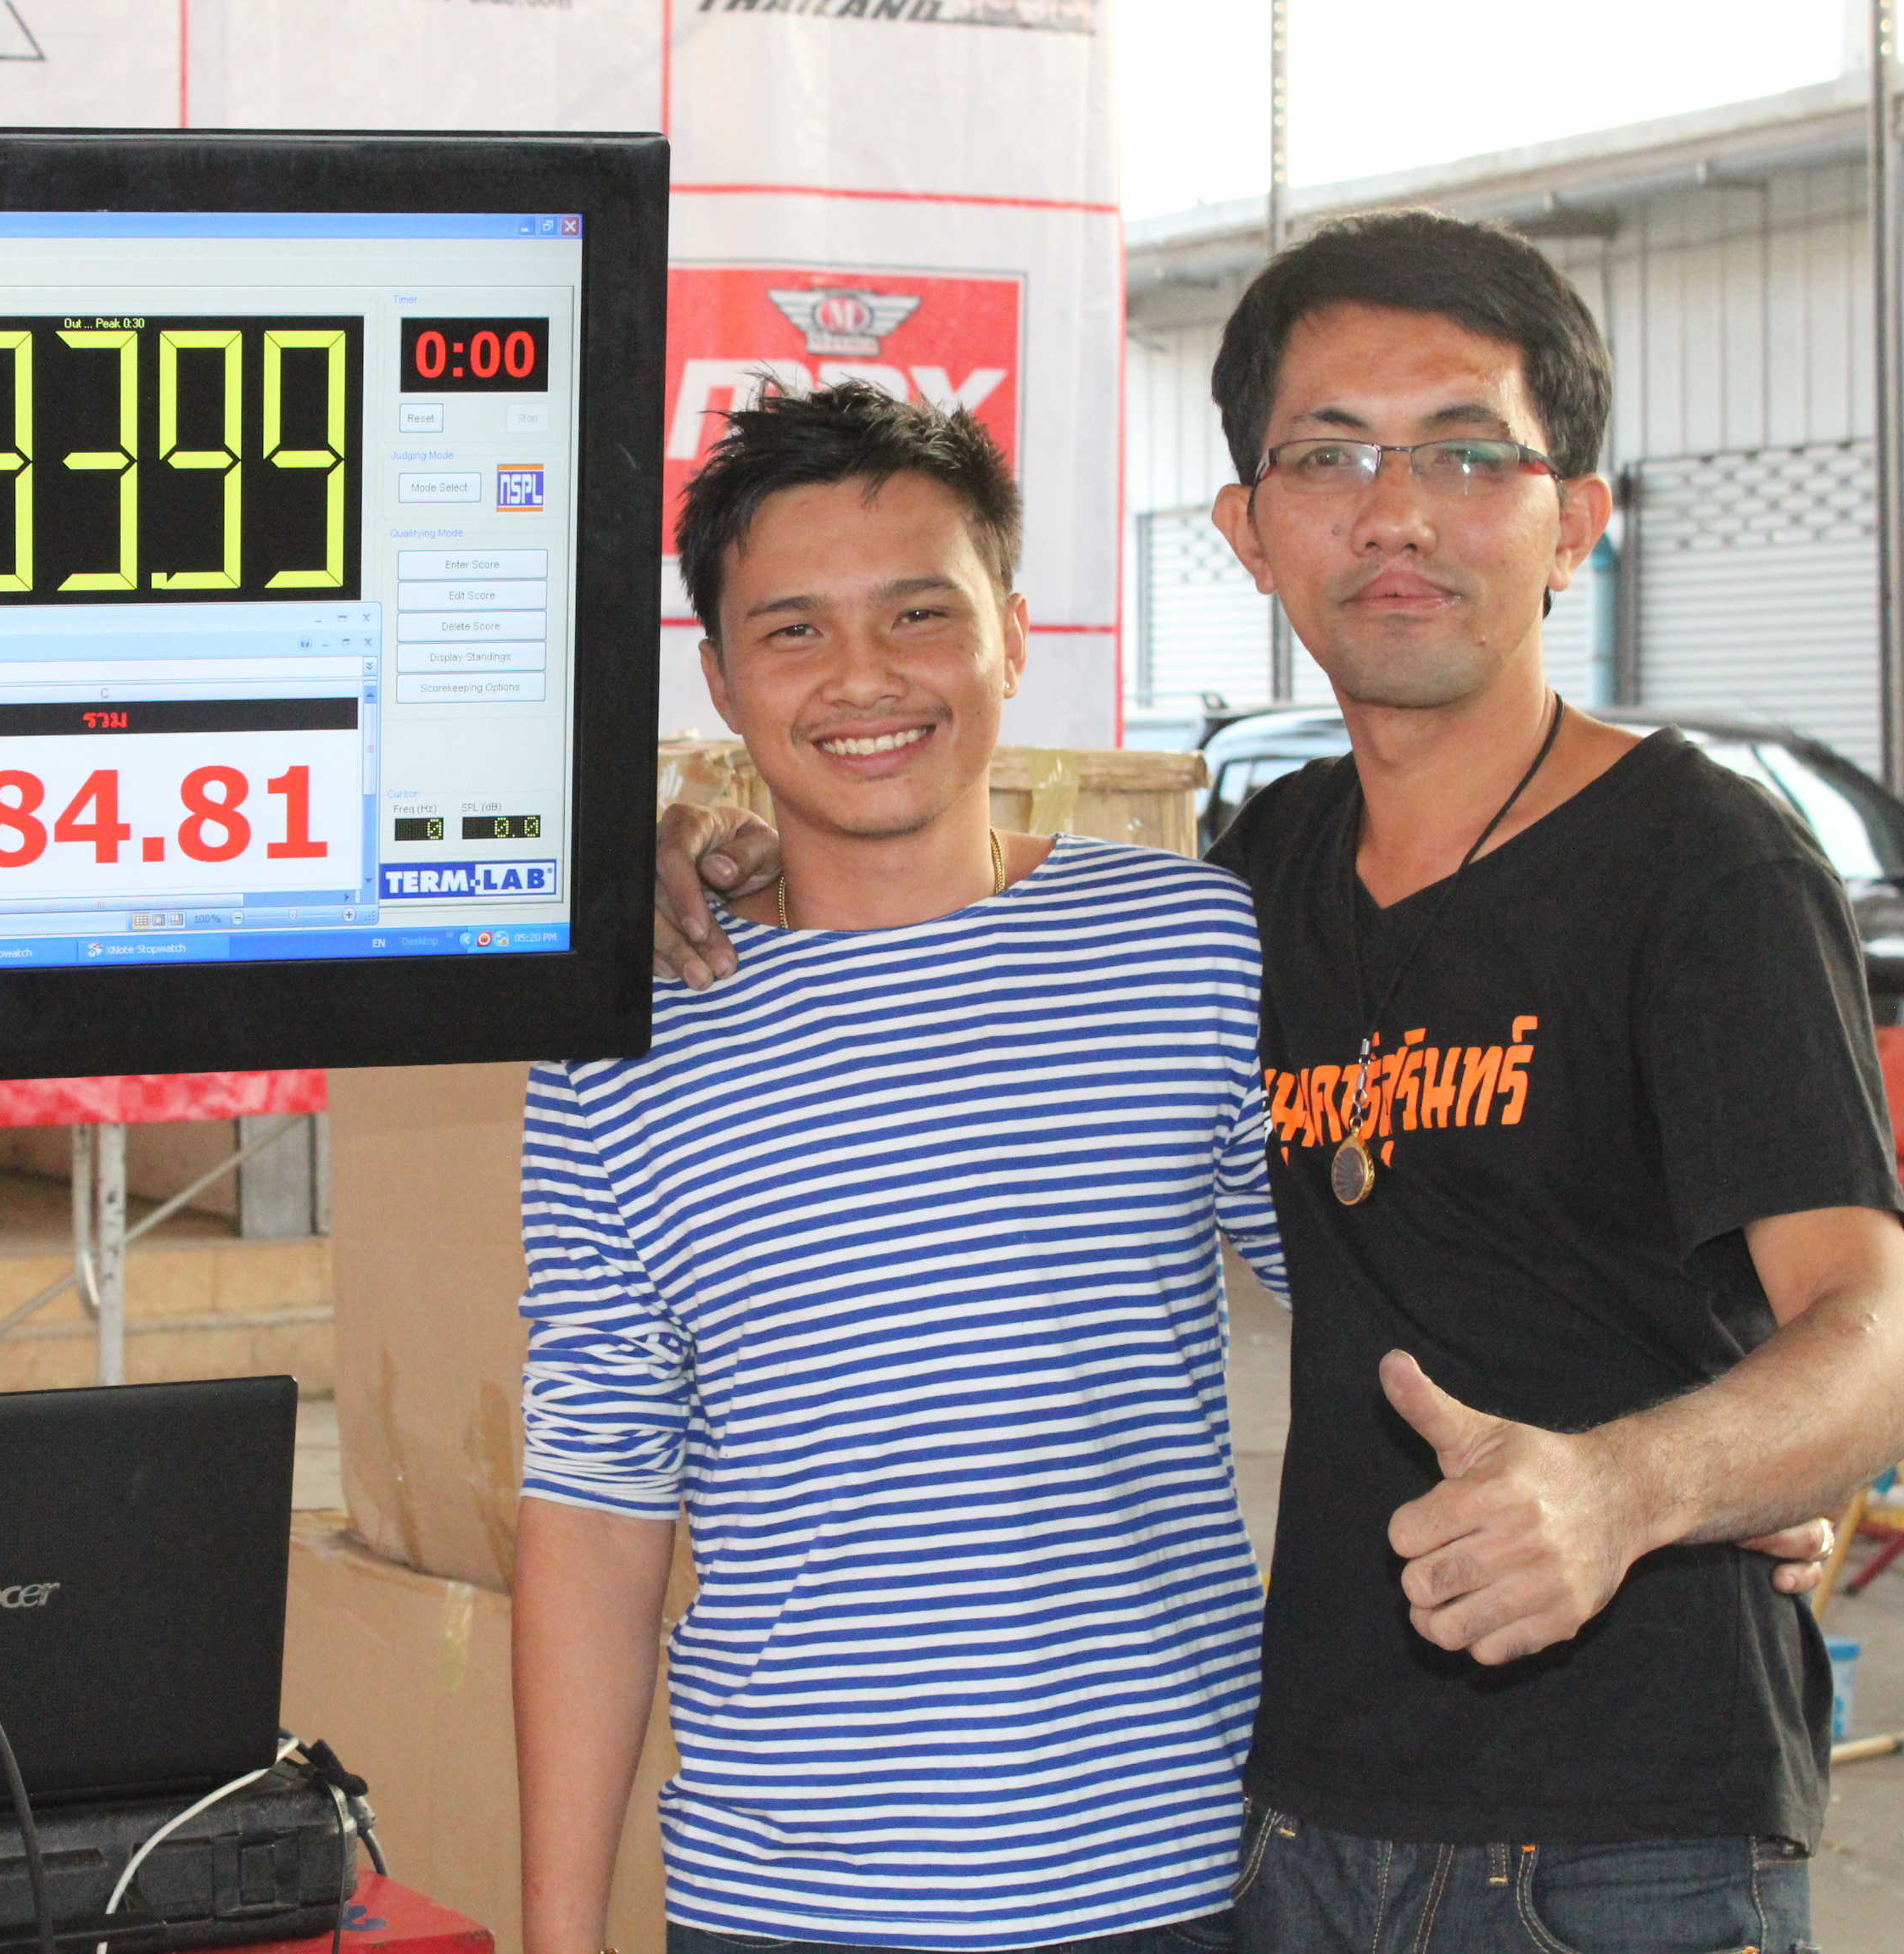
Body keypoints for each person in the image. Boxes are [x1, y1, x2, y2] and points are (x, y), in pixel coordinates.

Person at [652, 210, 1904, 1953]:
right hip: (1297, 1816)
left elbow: (1869, 1325)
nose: (1395, 513)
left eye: (1466, 451)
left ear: (1575, 520)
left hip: (1627, 1833)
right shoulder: (1256, 885)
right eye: (1331, 457)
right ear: (1247, 530)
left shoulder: (1704, 865)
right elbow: (978, 956)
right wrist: (701, 846)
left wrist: (1651, 1484)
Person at [514, 382, 1282, 1954]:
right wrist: (560, 1935)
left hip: (1169, 1879)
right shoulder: (619, 1039)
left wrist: (1671, 1448)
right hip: (786, 1900)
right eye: (793, 630)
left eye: (920, 614)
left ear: (1014, 634)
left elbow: (1392, 1285)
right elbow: (595, 1506)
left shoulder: (1188, 944)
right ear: (720, 680)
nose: (863, 677)